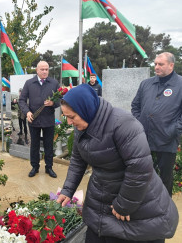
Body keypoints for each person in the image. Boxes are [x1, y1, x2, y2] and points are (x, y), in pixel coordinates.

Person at [57, 84, 178, 243]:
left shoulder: (123, 124)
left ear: (86, 109)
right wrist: (67, 190)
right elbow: (77, 161)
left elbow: (140, 169)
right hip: (101, 193)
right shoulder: (83, 125)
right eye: (66, 116)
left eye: (71, 117)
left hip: (135, 199)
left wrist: (124, 205)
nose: (69, 122)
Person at [131, 52, 182, 196]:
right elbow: (135, 106)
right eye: (155, 64)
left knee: (165, 178)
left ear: (171, 65)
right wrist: (139, 123)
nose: (156, 67)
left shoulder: (180, 84)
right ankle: (148, 206)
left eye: (161, 64)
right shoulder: (146, 84)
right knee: (144, 175)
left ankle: (166, 210)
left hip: (166, 140)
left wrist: (173, 130)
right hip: (145, 138)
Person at [19, 61, 60, 178]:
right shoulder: (29, 83)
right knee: (35, 145)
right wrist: (27, 112)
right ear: (37, 70)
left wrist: (53, 103)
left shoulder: (54, 83)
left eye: (47, 69)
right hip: (34, 119)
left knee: (48, 145)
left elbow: (61, 99)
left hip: (48, 120)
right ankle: (35, 167)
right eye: (42, 69)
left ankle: (49, 167)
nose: (45, 71)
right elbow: (21, 100)